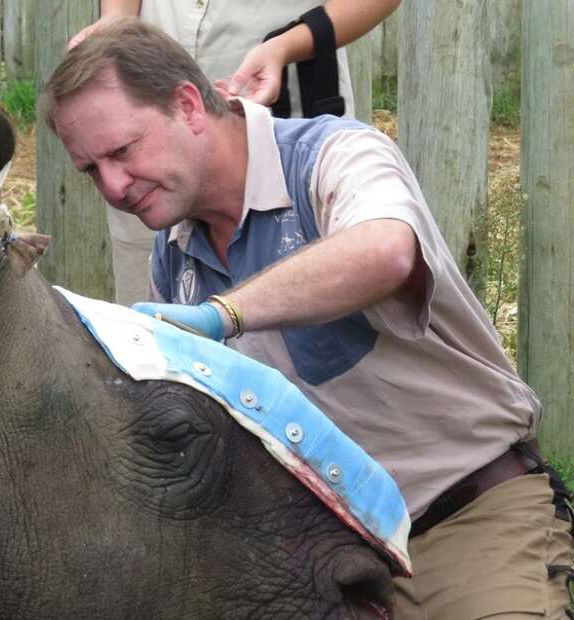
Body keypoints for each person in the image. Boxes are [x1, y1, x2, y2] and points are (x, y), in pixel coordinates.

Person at [41, 19, 574, 618]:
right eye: (91, 170)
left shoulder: (332, 154)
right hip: (325, 558)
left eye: (122, 151)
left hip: (472, 519)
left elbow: (386, 251)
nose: (112, 186)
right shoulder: (175, 253)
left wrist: (224, 317)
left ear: (187, 105)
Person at [70, 0, 401, 306]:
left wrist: (288, 45)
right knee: (153, 328)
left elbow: (388, 253)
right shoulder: (123, 170)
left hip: (271, 96)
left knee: (303, 323)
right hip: (139, 115)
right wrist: (117, 19)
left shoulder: (333, 155)